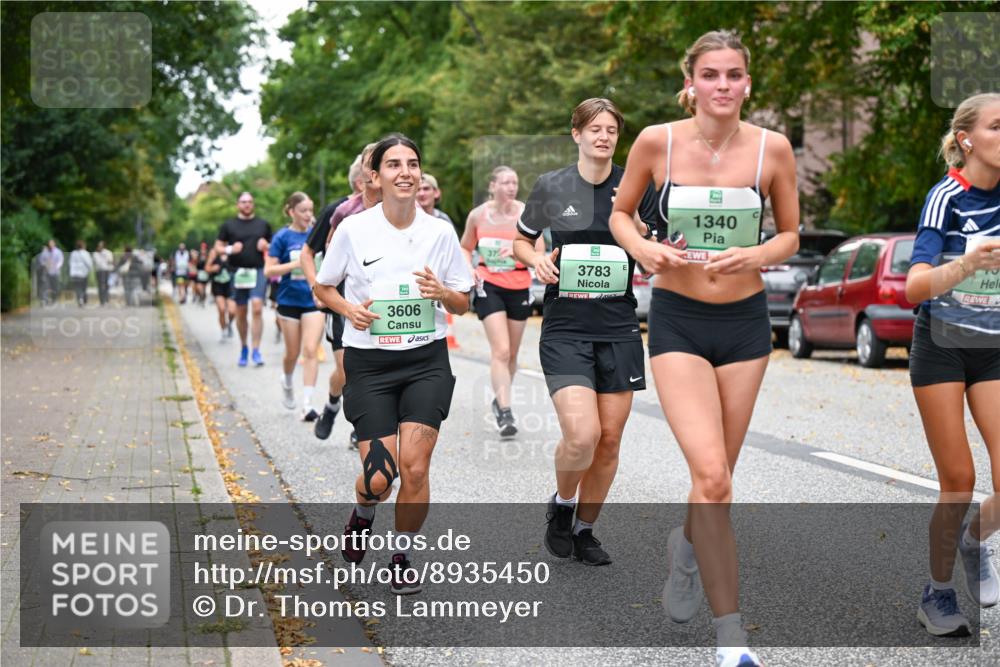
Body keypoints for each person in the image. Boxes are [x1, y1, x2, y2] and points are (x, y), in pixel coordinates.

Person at [609, 30, 799, 667]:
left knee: (715, 482)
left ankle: (686, 549)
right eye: (710, 74)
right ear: (690, 83)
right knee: (713, 478)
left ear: (748, 83)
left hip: (745, 326)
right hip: (679, 322)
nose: (723, 85)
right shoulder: (656, 141)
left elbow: (791, 234)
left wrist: (757, 254)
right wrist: (645, 249)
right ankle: (732, 639)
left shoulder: (773, 148)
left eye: (733, 75)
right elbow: (621, 214)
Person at [314, 134, 473, 594]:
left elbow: (463, 302)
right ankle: (364, 511)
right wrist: (349, 310)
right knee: (379, 479)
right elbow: (323, 287)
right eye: (394, 164)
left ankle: (402, 556)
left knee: (416, 468)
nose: (405, 172)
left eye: (413, 164)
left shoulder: (440, 232)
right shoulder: (353, 229)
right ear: (375, 176)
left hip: (426, 362)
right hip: (370, 365)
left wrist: (443, 293)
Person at [514, 97, 660, 566]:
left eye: (611, 130)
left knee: (609, 439)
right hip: (566, 328)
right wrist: (536, 258)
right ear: (576, 133)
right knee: (582, 435)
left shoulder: (636, 186)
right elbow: (520, 240)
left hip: (618, 327)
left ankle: (585, 531)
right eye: (595, 129)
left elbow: (658, 251)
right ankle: (562, 505)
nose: (603, 137)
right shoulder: (552, 185)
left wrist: (639, 229)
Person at [904, 92, 1000, 637]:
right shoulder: (946, 198)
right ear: (967, 140)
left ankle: (973, 541)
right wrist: (965, 264)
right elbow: (914, 287)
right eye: (997, 126)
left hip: (994, 347)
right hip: (941, 344)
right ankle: (936, 594)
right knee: (959, 479)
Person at [303, 144, 381, 448]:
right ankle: (334, 406)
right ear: (362, 174)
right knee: (349, 368)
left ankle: (365, 424)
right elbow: (310, 253)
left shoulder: (397, 209)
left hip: (380, 301)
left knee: (376, 367)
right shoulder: (341, 211)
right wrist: (318, 287)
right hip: (342, 302)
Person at [461, 166, 541, 436]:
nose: (511, 187)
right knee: (502, 351)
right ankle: (506, 412)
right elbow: (465, 247)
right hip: (489, 284)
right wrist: (468, 268)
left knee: (513, 354)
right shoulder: (478, 215)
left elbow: (539, 251)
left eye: (515, 183)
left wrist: (518, 251)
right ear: (492, 185)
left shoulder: (526, 214)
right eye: (505, 182)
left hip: (519, 285)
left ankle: (500, 398)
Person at [266, 192, 326, 421]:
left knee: (310, 350)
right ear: (291, 212)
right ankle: (287, 380)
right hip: (288, 300)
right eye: (303, 211)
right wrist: (296, 263)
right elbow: (269, 270)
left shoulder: (317, 233)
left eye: (311, 210)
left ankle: (308, 404)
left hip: (313, 301)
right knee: (292, 353)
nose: (308, 215)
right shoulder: (282, 237)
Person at [215, 192, 273, 367]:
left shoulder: (263, 224)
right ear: (238, 204)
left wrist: (266, 246)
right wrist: (230, 249)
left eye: (249, 202)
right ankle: (244, 348)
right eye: (243, 202)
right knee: (241, 311)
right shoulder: (229, 225)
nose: (247, 204)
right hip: (237, 272)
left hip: (258, 270)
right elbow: (218, 247)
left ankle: (256, 350)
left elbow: (274, 247)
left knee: (257, 307)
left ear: (253, 204)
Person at [205, 246, 235, 342]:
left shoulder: (232, 251)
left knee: (232, 311)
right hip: (218, 285)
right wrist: (212, 268)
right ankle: (223, 330)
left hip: (230, 285)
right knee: (222, 309)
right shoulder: (214, 252)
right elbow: (207, 268)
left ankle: (229, 324)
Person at [69, 240, 94, 307]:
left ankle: (80, 299)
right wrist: (90, 270)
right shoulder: (85, 253)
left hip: (74, 273)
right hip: (83, 273)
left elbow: (70, 263)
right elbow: (89, 263)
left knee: (77, 287)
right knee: (83, 287)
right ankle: (82, 299)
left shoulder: (73, 253)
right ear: (83, 246)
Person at [40, 239, 64, 305]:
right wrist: (45, 265)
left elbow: (61, 261)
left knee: (55, 286)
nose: (50, 246)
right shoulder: (45, 252)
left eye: (52, 244)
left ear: (54, 244)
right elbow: (41, 261)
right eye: (49, 245)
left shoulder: (58, 252)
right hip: (47, 272)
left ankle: (54, 299)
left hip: (55, 272)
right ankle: (44, 300)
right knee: (45, 286)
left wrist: (56, 266)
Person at [93, 240, 114, 306]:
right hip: (99, 271)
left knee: (106, 285)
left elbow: (110, 261)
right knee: (101, 286)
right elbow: (97, 262)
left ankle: (106, 300)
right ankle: (102, 300)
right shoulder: (96, 253)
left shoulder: (108, 252)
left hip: (107, 270)